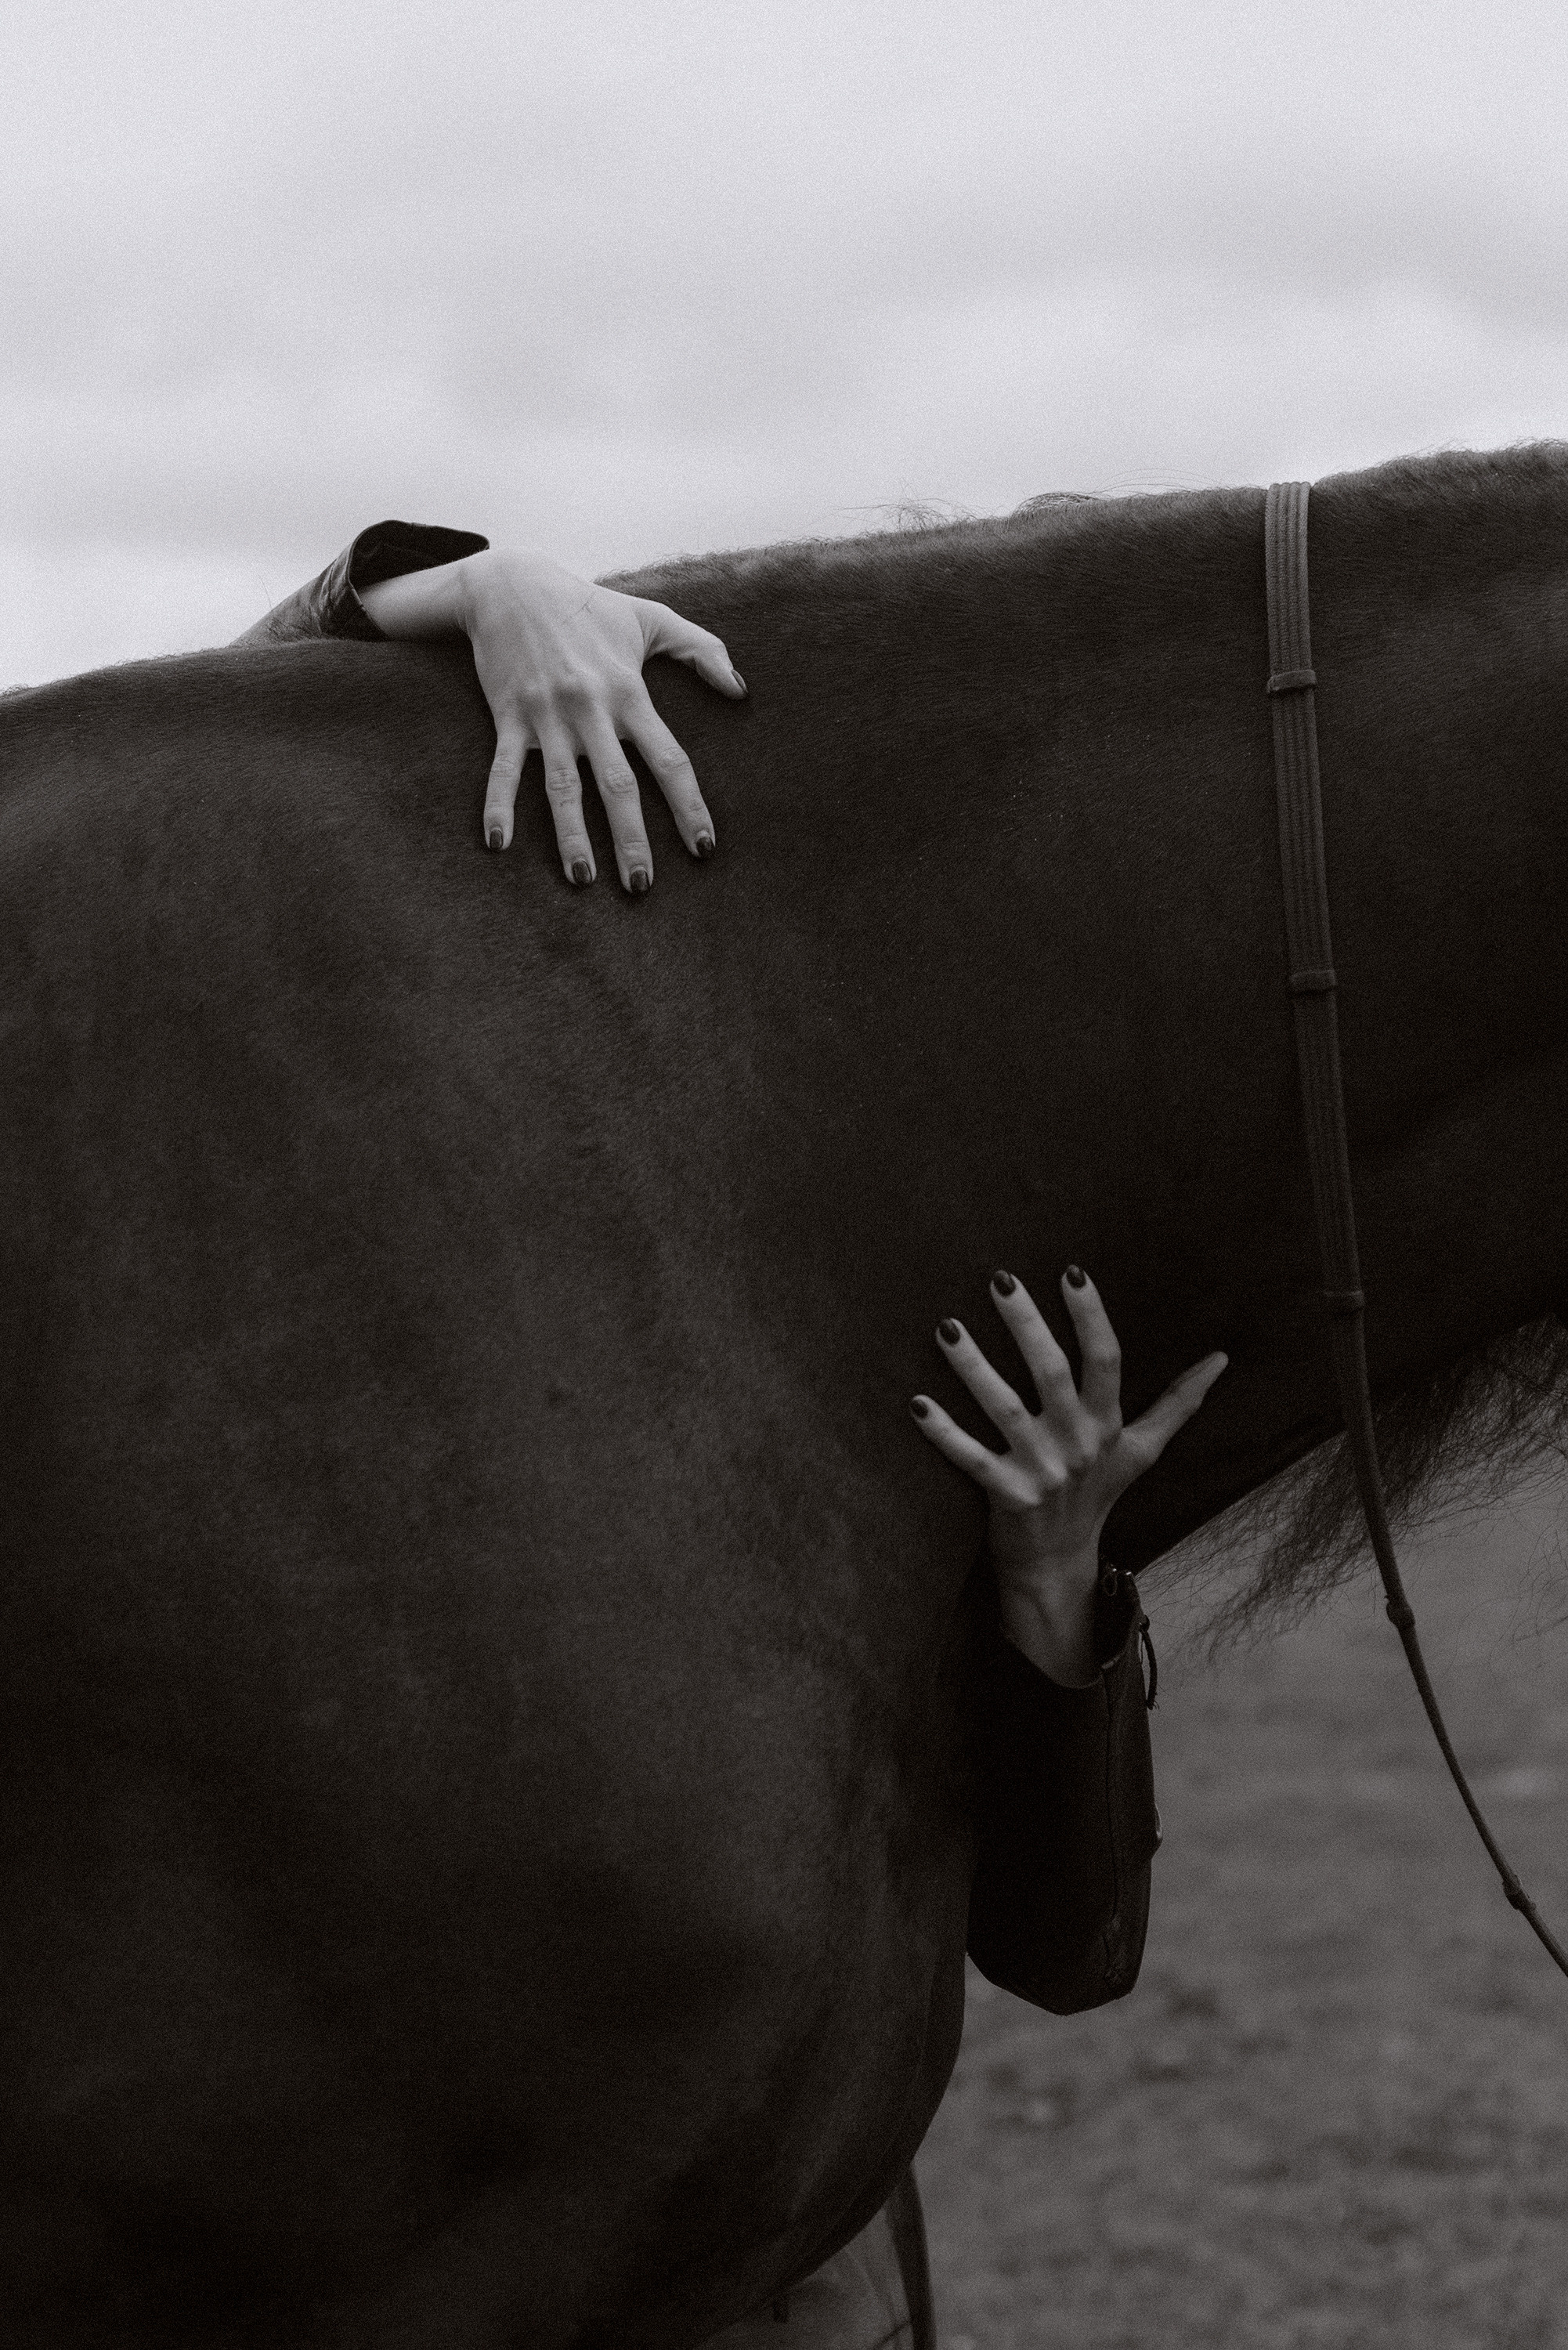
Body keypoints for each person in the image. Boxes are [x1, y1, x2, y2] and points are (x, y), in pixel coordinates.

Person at [240, 527, 1228, 2350]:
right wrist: (466, 583)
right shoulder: (311, 1333)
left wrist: (1050, 1590)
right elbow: (179, 840)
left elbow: (1068, 1948)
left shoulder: (880, 1342)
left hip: (774, 2276)